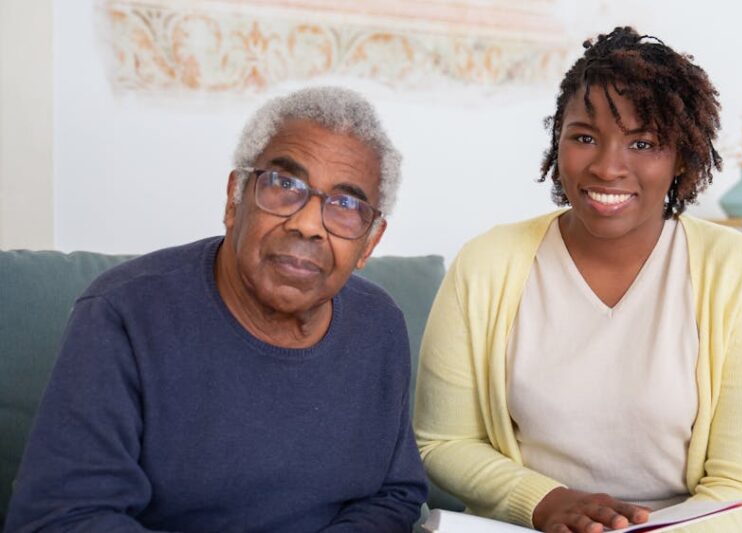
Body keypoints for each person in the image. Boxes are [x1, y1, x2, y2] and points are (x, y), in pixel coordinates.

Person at [414, 27, 742, 533]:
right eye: (584, 137)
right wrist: (546, 502)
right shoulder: (486, 264)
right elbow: (443, 441)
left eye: (643, 142)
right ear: (559, 143)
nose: (607, 166)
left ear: (682, 158)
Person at [5, 87, 427, 532]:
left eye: (345, 205)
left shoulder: (379, 325)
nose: (306, 224)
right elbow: (61, 518)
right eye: (285, 185)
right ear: (234, 198)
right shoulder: (124, 315)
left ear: (370, 242)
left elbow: (394, 493)